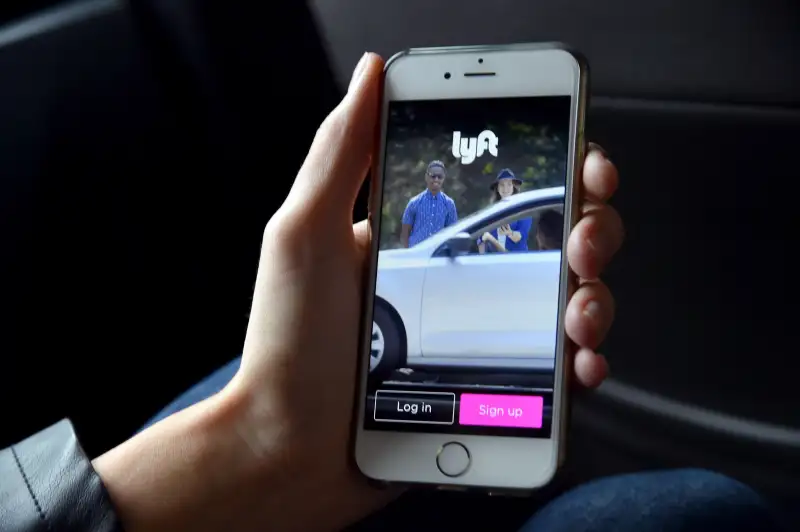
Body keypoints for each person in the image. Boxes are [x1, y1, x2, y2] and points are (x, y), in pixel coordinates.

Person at [0, 53, 786, 532]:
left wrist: (264, 443)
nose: (442, 180)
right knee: (699, 512)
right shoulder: (420, 215)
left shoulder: (459, 217)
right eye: (440, 173)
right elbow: (415, 238)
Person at [400, 160, 458, 247]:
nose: (436, 179)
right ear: (426, 177)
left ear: (444, 178)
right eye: (433, 176)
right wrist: (407, 254)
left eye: (440, 176)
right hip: (416, 254)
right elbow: (405, 233)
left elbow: (452, 232)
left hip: (437, 255)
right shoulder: (414, 203)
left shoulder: (449, 204)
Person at [478, 169, 533, 253]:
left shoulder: (523, 210)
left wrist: (509, 233)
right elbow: (480, 239)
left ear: (514, 187)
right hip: (493, 261)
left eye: (509, 184)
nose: (505, 188)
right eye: (502, 185)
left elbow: (520, 237)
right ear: (497, 188)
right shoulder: (490, 212)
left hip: (516, 260)